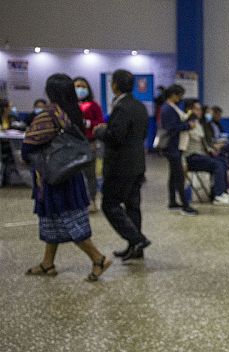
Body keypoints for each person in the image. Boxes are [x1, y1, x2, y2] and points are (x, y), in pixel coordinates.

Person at [21, 73, 112, 282]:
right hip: (70, 174)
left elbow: (28, 148)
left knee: (68, 221)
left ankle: (98, 258)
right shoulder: (73, 113)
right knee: (52, 219)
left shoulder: (48, 115)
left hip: (53, 178)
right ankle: (47, 263)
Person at [93, 69, 151, 261]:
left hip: (120, 167)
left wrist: (100, 131)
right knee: (132, 206)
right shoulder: (139, 106)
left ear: (115, 85)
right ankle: (135, 247)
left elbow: (116, 137)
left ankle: (137, 239)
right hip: (136, 164)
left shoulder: (121, 107)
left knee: (109, 204)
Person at [180, 100, 229, 206]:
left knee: (222, 160)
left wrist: (211, 150)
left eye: (200, 109)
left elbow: (204, 143)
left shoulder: (198, 123)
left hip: (201, 154)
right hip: (191, 157)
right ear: (190, 110)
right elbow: (182, 145)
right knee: (217, 165)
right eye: (197, 109)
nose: (200, 112)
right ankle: (218, 195)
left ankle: (222, 191)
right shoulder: (186, 123)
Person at [159, 84, 196, 215]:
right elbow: (171, 128)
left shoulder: (171, 107)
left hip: (175, 146)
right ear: (174, 95)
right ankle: (185, 205)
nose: (181, 98)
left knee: (173, 175)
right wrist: (187, 125)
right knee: (179, 176)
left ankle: (172, 201)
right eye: (180, 95)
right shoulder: (168, 109)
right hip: (172, 146)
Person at [74, 77, 105, 213]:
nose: (80, 89)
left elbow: (100, 122)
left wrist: (88, 123)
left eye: (83, 86)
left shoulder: (93, 105)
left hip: (89, 143)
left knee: (90, 174)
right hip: (73, 144)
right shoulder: (70, 105)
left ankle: (92, 200)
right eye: (77, 86)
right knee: (74, 175)